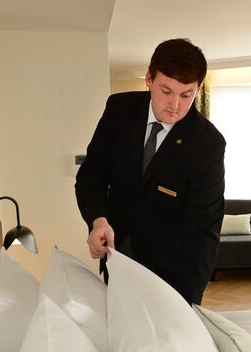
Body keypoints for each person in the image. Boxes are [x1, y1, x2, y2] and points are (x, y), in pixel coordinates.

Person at [75, 38, 225, 305]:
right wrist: (98, 220)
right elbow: (91, 175)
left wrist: (189, 303)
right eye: (166, 91)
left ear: (198, 89)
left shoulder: (208, 144)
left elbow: (204, 232)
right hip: (117, 256)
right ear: (149, 78)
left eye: (186, 95)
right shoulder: (119, 110)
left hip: (170, 275)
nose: (175, 105)